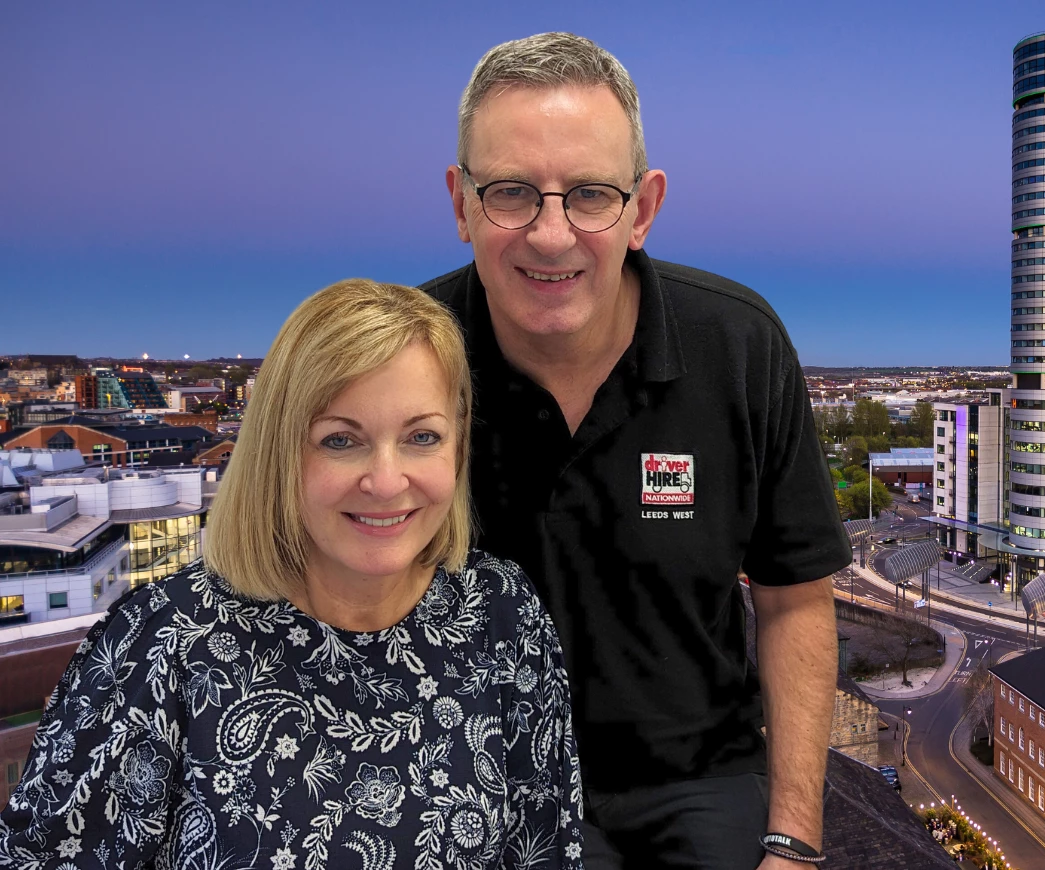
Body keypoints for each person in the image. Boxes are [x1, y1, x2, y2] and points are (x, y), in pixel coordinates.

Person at [422, 33, 849, 869]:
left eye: (588, 196)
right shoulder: (408, 358)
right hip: (481, 776)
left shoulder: (738, 345)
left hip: (700, 776)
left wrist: (794, 843)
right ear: (460, 202)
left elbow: (795, 598)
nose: (551, 235)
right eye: (511, 193)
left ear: (643, 209)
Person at [0, 280, 583, 869]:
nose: (386, 482)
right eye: (340, 440)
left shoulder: (502, 613)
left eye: (421, 437)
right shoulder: (163, 646)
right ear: (281, 453)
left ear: (459, 448)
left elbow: (546, 849)